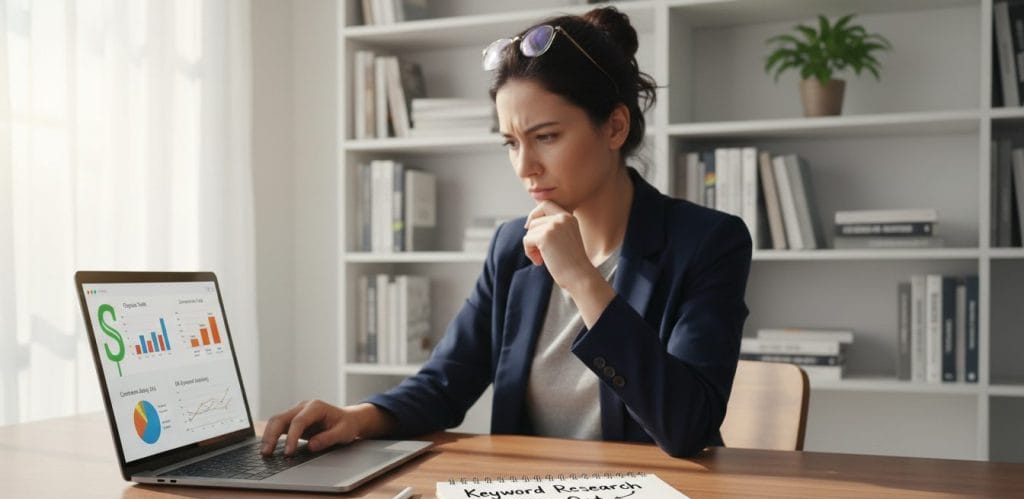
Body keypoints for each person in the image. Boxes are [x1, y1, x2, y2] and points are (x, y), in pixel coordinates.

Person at [261, 7, 752, 459]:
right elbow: (446, 383)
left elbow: (687, 425)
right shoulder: (511, 247)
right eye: (511, 143)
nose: (525, 166)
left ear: (615, 127)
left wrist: (582, 278)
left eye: (546, 137)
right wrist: (357, 417)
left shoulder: (707, 243)